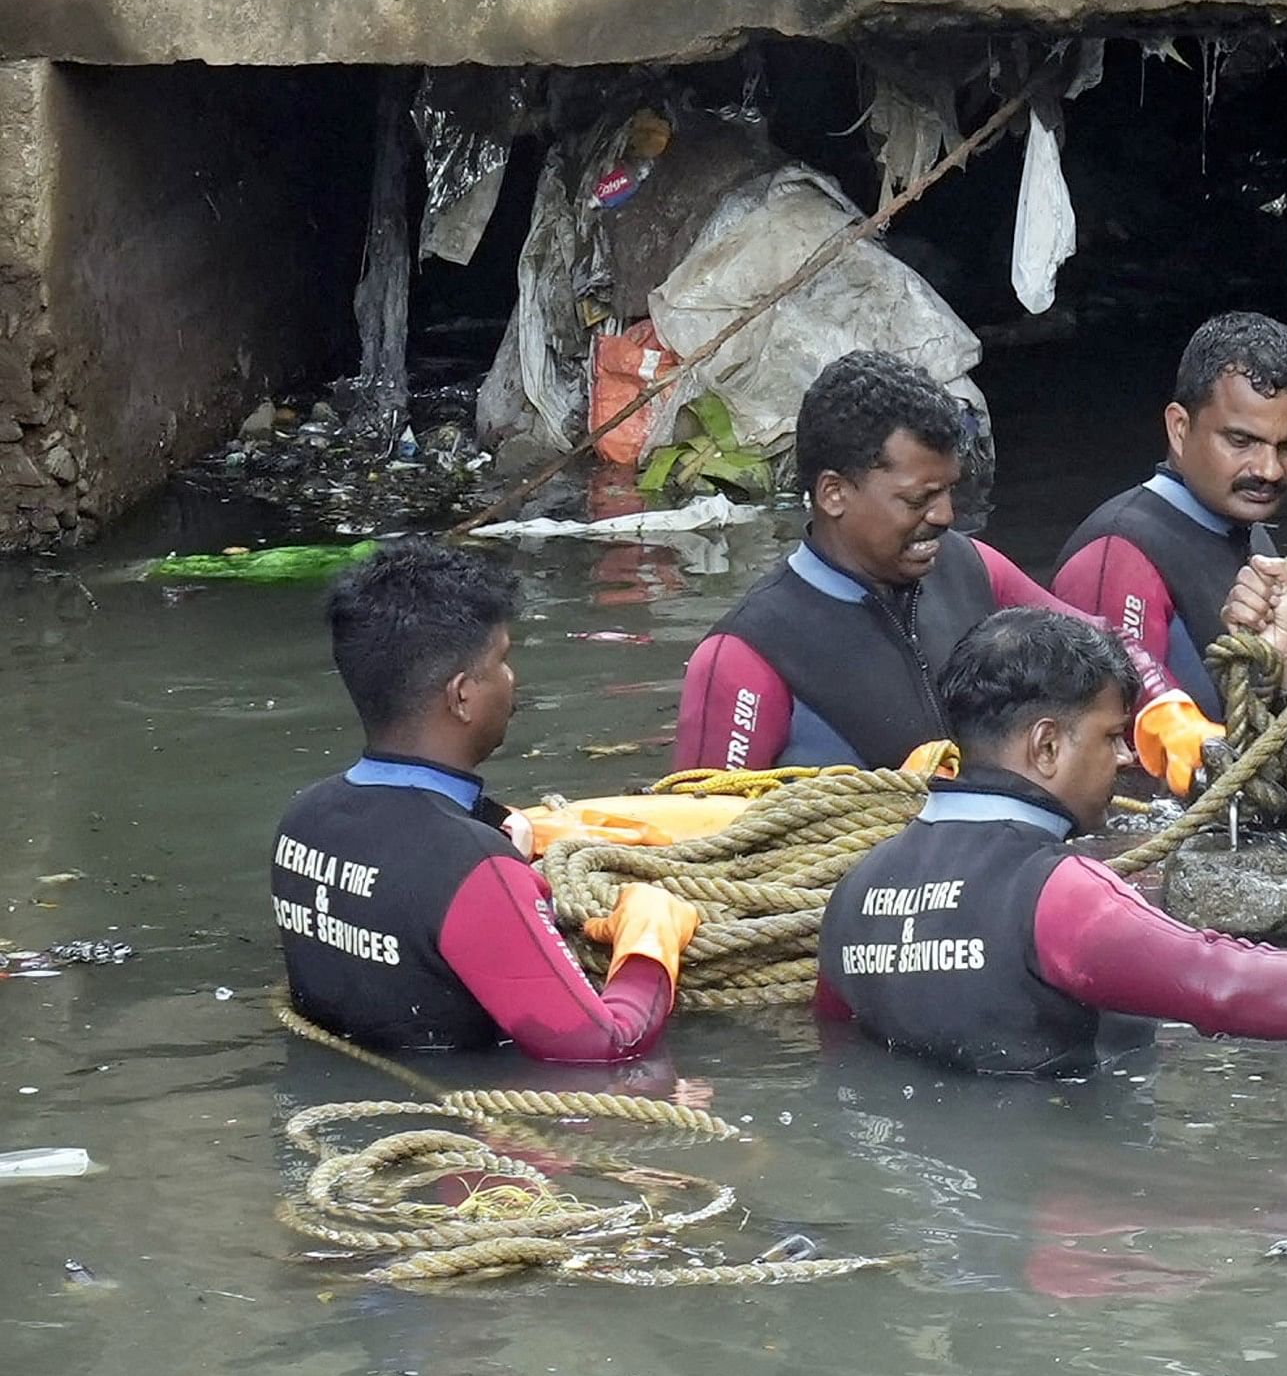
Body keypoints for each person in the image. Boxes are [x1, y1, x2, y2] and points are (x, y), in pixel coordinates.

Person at [816, 609, 1287, 1084]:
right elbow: (1223, 983)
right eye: (1108, 735)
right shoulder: (1057, 898)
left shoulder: (855, 892)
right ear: (1044, 745)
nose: (1126, 758)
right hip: (1077, 1201)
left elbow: (842, 1057)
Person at [678, 352, 1217, 786]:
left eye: (948, 491)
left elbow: (1097, 638)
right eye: (918, 499)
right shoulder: (742, 658)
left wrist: (1162, 703)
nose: (945, 516)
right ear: (834, 493)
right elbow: (698, 839)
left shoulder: (968, 567)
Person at [275, 544, 697, 1061]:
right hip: (469, 1129)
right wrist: (649, 939)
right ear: (461, 697)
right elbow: (599, 1045)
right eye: (502, 660)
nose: (512, 679)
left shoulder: (302, 820)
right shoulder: (473, 867)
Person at [1054, 311, 1287, 713]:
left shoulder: (1248, 529)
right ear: (1180, 428)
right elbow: (1108, 751)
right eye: (1241, 440)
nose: (1269, 470)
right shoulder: (1116, 555)